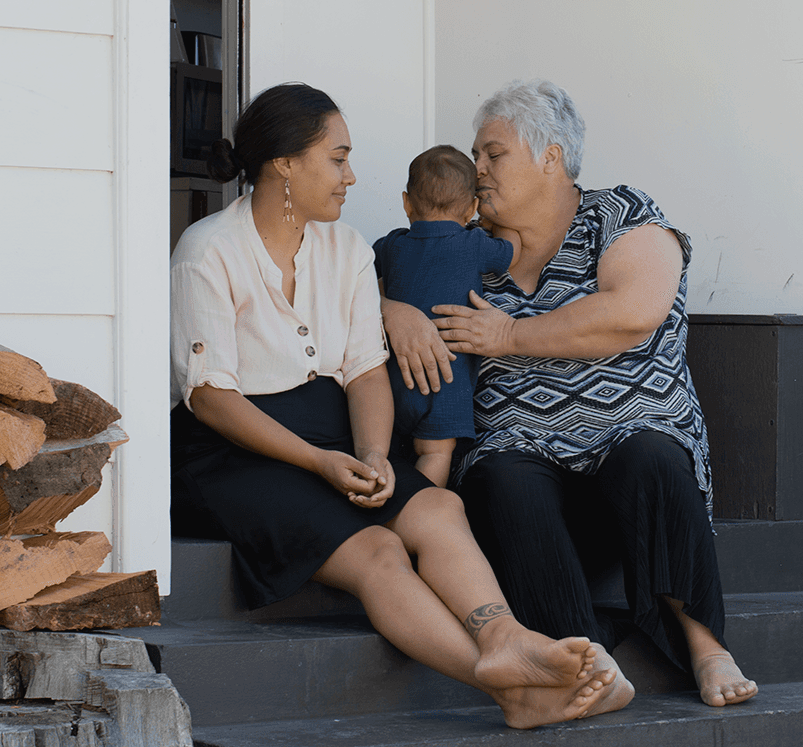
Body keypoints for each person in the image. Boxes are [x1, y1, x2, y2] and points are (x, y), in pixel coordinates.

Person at [169, 83, 631, 729]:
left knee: (438, 504)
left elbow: (364, 369)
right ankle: (503, 687)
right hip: (233, 447)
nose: (351, 176)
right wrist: (321, 462)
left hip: (333, 427)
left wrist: (371, 452)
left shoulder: (348, 249)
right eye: (337, 158)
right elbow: (213, 398)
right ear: (285, 164)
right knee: (378, 551)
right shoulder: (208, 249)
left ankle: (503, 638)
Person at [381, 80, 758, 709]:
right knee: (502, 477)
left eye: (492, 153)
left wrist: (510, 335)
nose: (478, 169)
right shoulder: (468, 247)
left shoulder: (618, 214)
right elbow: (377, 279)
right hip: (522, 459)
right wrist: (392, 311)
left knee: (652, 456)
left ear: (550, 157)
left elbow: (635, 310)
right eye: (476, 155)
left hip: (627, 446)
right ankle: (583, 656)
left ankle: (705, 646)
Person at [372, 145, 520, 487]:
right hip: (446, 379)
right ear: (471, 208)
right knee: (436, 454)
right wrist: (496, 218)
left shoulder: (391, 245)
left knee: (391, 453)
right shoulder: (474, 244)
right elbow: (511, 251)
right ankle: (424, 510)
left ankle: (386, 498)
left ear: (407, 203)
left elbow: (362, 278)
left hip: (396, 376)